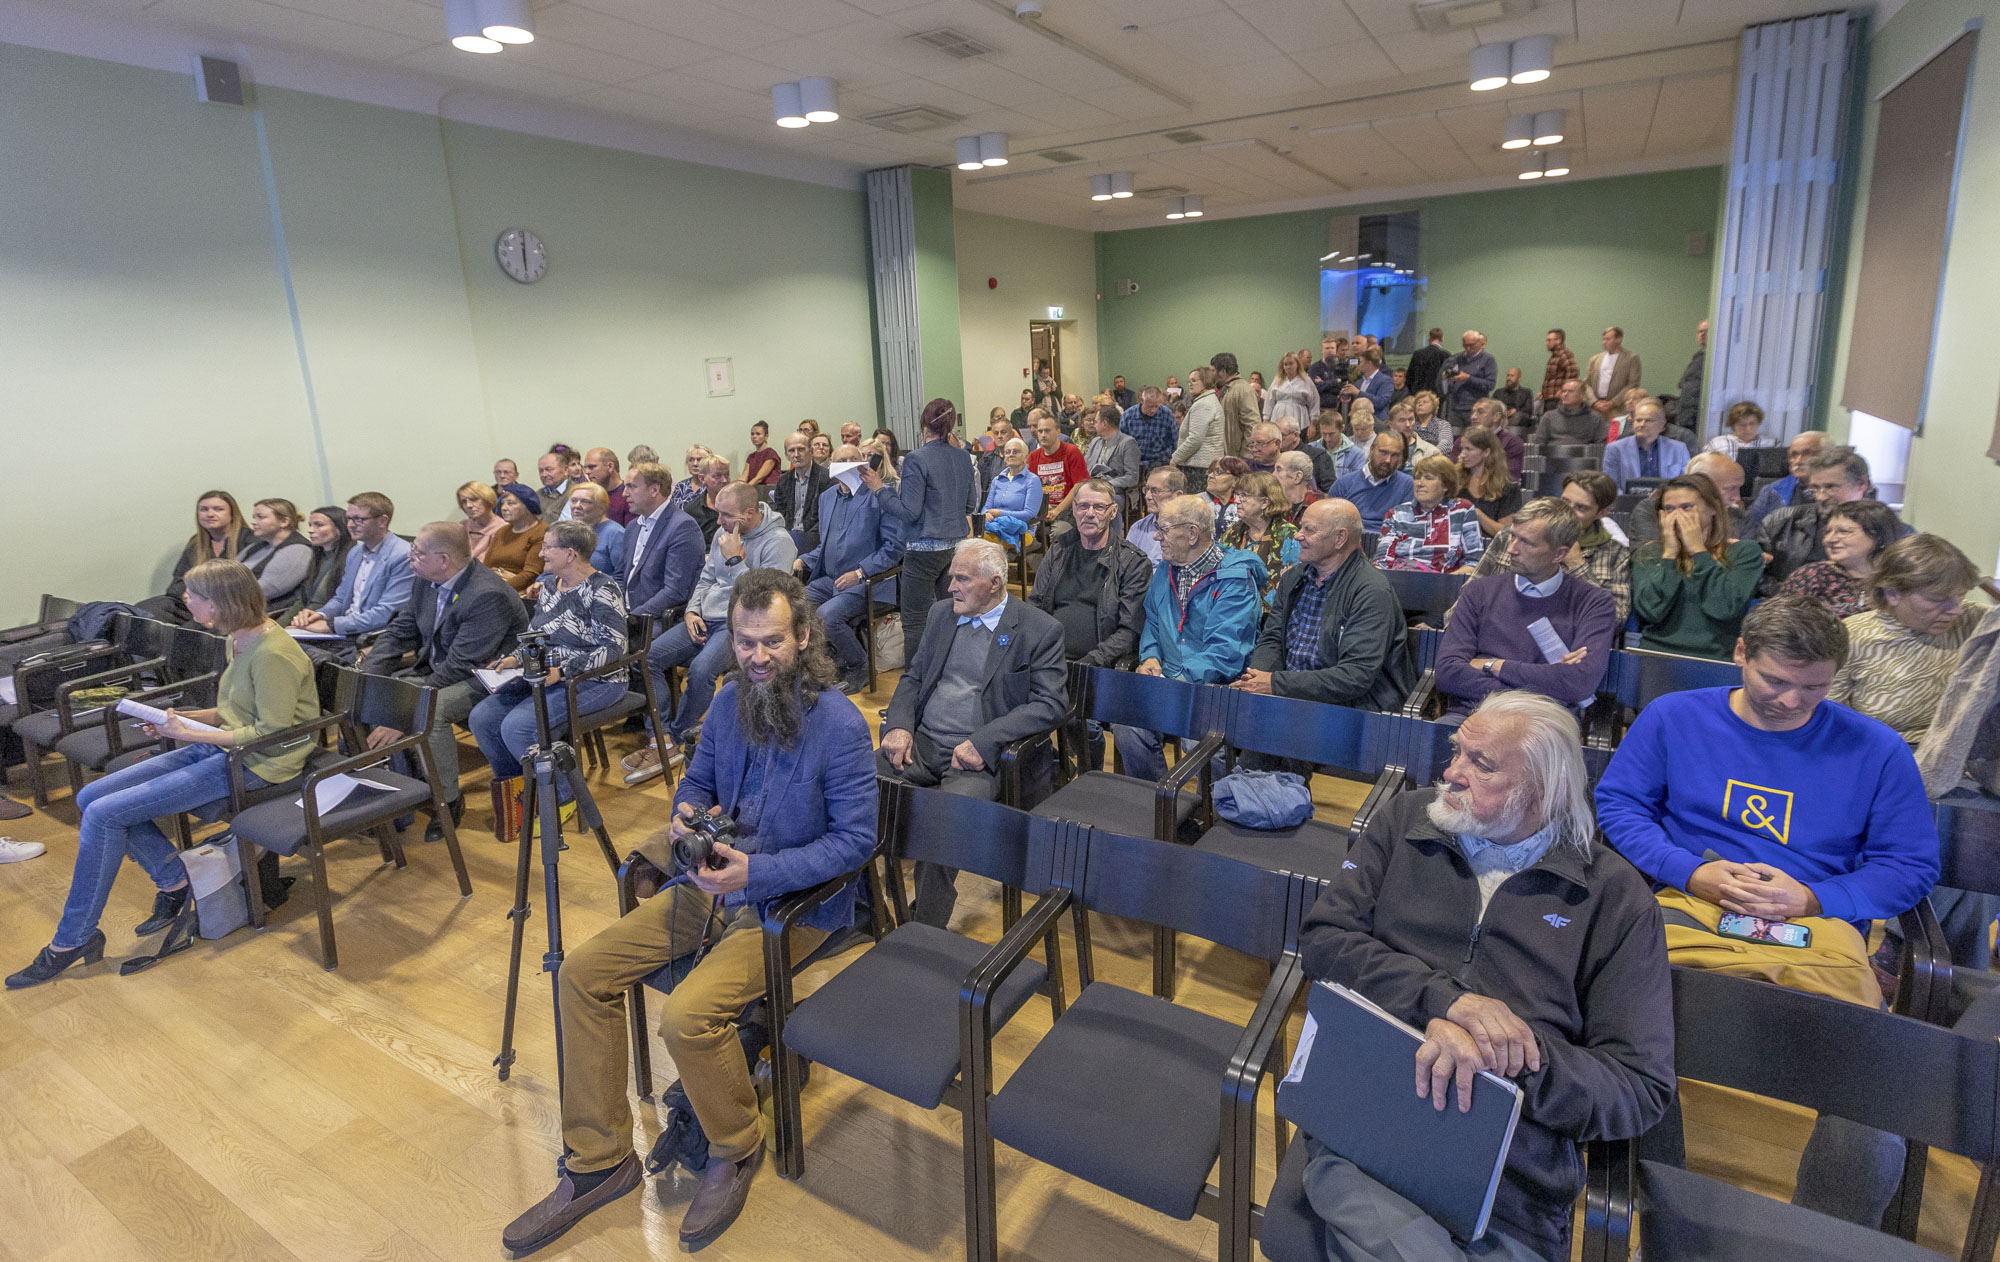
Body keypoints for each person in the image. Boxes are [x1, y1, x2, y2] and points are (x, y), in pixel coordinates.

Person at [502, 570, 875, 1255]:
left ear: (804, 636)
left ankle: (734, 1144)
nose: (758, 656)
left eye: (772, 642)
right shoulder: (732, 699)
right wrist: (683, 814)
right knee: (581, 973)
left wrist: (756, 871)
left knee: (686, 1016)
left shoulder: (842, 725)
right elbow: (699, 781)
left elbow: (856, 842)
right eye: (745, 641)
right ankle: (598, 1159)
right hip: (711, 884)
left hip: (789, 903)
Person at [1595, 595, 1940, 1230]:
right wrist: (1690, 870)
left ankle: (1816, 1239)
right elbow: (1620, 806)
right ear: (1740, 655)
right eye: (1775, 681)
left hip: (1817, 932)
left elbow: (1911, 866)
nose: (1791, 701)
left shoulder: (1877, 749)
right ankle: (1663, 1215)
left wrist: (1814, 897)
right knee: (1621, 1042)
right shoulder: (1676, 717)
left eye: (1814, 688)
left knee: (1873, 1118)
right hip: (1690, 909)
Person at [1300, 690, 1674, 1262]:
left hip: (1511, 1176)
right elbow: (1326, 940)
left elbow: (1638, 1089)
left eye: (1482, 763)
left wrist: (1509, 1057)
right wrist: (1442, 1005)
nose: (1451, 773)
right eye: (1457, 752)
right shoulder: (1407, 821)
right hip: (1368, 1120)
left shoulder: (1614, 899)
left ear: (1543, 790)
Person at [8, 560, 318, 988]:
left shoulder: (274, 654)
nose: (185, 599)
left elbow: (273, 731)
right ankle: (175, 882)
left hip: (260, 763)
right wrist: (181, 718)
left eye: (195, 595)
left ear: (221, 602)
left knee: (104, 815)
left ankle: (71, 939)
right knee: (88, 800)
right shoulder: (238, 638)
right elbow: (232, 713)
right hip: (222, 746)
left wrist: (189, 731)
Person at [879, 539, 1067, 927]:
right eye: (952, 578)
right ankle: (863, 908)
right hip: (924, 742)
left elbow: (1051, 705)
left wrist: (985, 741)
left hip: (980, 757)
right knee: (852, 787)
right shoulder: (941, 614)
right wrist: (899, 725)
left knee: (945, 825)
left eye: (962, 579)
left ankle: (924, 929)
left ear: (995, 583)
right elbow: (914, 678)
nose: (951, 588)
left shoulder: (1039, 629)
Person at [358, 522, 528, 841]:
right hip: (440, 668)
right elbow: (400, 631)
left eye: (418, 552)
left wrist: (405, 709)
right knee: (376, 696)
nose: (410, 556)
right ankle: (398, 800)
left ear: (444, 559)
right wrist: (371, 676)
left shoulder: (487, 595)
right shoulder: (425, 579)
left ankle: (447, 801)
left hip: (489, 678)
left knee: (429, 714)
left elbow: (460, 667)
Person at [630, 484, 797, 783]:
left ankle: (679, 737)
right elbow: (705, 579)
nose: (718, 521)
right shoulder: (724, 535)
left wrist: (734, 560)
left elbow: (766, 601)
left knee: (701, 669)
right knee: (647, 658)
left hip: (741, 626)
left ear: (749, 512)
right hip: (705, 617)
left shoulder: (779, 542)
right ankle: (662, 736)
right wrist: (692, 610)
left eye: (725, 515)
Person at [470, 520, 628, 809]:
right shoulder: (549, 587)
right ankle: (521, 787)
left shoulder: (603, 589)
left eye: (547, 547)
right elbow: (537, 636)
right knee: (482, 718)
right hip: (546, 674)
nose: (541, 554)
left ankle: (563, 797)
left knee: (518, 727)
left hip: (596, 679)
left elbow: (614, 648)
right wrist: (515, 658)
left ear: (570, 553)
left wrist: (565, 671)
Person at [1113, 495, 1267, 782]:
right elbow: (1153, 622)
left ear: (1193, 533)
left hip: (1215, 689)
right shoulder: (1165, 569)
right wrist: (1150, 657)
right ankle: (1160, 806)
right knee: (1127, 725)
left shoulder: (1234, 579)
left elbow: (1225, 653)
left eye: (1165, 528)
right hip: (1169, 684)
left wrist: (1174, 685)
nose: (1157, 536)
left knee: (1199, 742)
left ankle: (1213, 815)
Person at [1435, 495, 1618, 718]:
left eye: (1526, 542)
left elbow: (1578, 683)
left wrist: (1493, 664)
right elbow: (1448, 672)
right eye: (1512, 536)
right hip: (1475, 714)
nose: (1511, 548)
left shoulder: (1594, 603)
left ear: (1559, 553)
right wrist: (1548, 685)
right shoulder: (1479, 592)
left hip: (1543, 725)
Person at [1237, 497, 1412, 715]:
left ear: (1340, 538)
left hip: (1352, 710)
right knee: (1235, 716)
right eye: (1301, 527)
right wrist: (1257, 679)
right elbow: (1272, 638)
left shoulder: (1372, 591)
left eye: (1309, 530)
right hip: (1292, 697)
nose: (1298, 536)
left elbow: (1355, 676)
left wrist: (1275, 683)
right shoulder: (1294, 578)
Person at [1027, 477, 1151, 770]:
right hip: (1050, 656)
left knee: (1081, 721)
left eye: (1098, 507)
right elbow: (1035, 605)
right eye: (1082, 506)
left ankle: (1088, 774)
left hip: (1097, 663)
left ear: (1113, 512)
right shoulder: (1060, 550)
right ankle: (1047, 769)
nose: (1089, 513)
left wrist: (1089, 661)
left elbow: (1130, 631)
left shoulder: (1132, 562)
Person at [1829, 533, 1983, 745]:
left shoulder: (1974, 622)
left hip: (1959, 749)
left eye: (1961, 596)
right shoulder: (1851, 637)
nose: (1955, 610)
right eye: (1937, 599)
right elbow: (1831, 719)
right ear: (1893, 594)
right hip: (1879, 750)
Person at [862, 398, 975, 669]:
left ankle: (915, 687)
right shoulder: (962, 456)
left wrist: (879, 488)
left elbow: (909, 512)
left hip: (924, 550)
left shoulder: (916, 458)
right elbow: (971, 504)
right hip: (956, 548)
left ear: (923, 424)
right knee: (951, 614)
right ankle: (950, 673)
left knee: (914, 622)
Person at [795, 447, 905, 695]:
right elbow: (827, 544)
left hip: (870, 582)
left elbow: (894, 548)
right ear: (831, 465)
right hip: (831, 579)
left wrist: (860, 572)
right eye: (840, 460)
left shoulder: (880, 494)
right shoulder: (827, 497)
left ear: (862, 464)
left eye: (851, 460)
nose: (846, 464)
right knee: (795, 605)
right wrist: (803, 559)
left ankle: (860, 666)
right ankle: (829, 660)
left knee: (826, 615)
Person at [1633, 475, 1764, 658]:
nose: (1677, 516)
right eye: (1669, 509)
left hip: (1714, 659)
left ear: (1713, 508)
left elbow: (1723, 608)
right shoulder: (1650, 553)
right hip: (1654, 655)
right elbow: (1651, 612)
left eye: (1686, 507)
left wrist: (1697, 550)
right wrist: (1669, 556)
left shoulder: (1744, 552)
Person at [1474, 472, 1631, 621]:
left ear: (1602, 512)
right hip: (1497, 628)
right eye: (1564, 501)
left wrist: (1578, 566)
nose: (1568, 511)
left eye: (1581, 508)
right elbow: (1471, 592)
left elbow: (1615, 620)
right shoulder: (1514, 534)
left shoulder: (1615, 554)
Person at [1758, 445, 1900, 592]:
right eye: (1814, 488)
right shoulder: (1779, 522)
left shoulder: (1893, 530)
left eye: (1831, 487)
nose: (1821, 496)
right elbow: (1757, 578)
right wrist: (1797, 594)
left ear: (1862, 484)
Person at [288, 492, 415, 652]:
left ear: (383, 520)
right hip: (346, 631)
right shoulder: (355, 552)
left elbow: (386, 613)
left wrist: (331, 625)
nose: (351, 525)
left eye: (359, 519)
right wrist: (320, 615)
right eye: (348, 518)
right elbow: (341, 599)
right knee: (284, 646)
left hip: (373, 636)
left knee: (298, 653)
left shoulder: (402, 555)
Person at [1776, 498, 1905, 617]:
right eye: (1827, 532)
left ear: (1878, 536)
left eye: (1844, 531)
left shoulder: (1902, 581)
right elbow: (1779, 624)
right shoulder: (1811, 576)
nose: (1829, 539)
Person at [140, 490, 254, 623]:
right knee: (146, 610)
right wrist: (185, 593)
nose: (210, 514)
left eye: (218, 509)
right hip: (193, 602)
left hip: (228, 606)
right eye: (204, 509)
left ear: (232, 514)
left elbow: (248, 583)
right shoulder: (196, 542)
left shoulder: (249, 540)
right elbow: (178, 580)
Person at [1374, 456, 1484, 574]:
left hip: (1444, 584)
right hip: (1400, 581)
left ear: (1445, 485)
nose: (1420, 483)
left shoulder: (1462, 510)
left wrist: (1443, 582)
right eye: (1417, 478)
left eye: (1428, 478)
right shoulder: (1396, 514)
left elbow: (1474, 562)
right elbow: (1381, 562)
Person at [1628, 451, 1746, 549]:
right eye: (1730, 488)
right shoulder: (1652, 510)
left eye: (1740, 488)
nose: (1737, 497)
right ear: (1703, 485)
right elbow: (1646, 560)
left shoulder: (1742, 519)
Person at [1222, 472, 1299, 604]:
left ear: (1264, 502)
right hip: (1234, 608)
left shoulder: (1288, 534)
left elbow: (1294, 581)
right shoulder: (1234, 531)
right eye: (1237, 494)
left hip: (1273, 612)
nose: (1237, 500)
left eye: (1244, 496)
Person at [1329, 432, 1415, 535]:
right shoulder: (1343, 485)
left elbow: (1407, 529)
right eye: (1383, 452)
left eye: (1394, 455)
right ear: (1371, 450)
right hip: (1350, 542)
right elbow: (1330, 525)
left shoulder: (1408, 486)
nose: (1388, 460)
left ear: (1401, 458)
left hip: (1389, 544)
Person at [1600, 399, 1690, 494]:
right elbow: (1611, 486)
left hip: (1667, 504)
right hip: (1627, 504)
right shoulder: (1615, 449)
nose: (1642, 425)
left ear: (1662, 424)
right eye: (1638, 420)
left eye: (1648, 421)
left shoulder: (1679, 449)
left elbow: (1685, 484)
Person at [239, 497, 313, 611]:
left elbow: (265, 589)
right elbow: (227, 572)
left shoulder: (298, 550)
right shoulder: (256, 546)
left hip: (269, 614)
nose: (253, 522)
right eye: (254, 517)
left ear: (284, 522)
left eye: (260, 517)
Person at [1745, 430, 1826, 527]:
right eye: (1794, 455)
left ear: (1827, 456)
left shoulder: (1839, 491)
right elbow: (1749, 527)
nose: (1798, 461)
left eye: (1807, 453)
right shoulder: (1771, 491)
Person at [769, 431, 831, 553]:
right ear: (786, 455)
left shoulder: (826, 478)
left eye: (801, 449)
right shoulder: (783, 480)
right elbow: (779, 512)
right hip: (787, 536)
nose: (796, 455)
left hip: (815, 538)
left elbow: (825, 518)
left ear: (811, 451)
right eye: (791, 451)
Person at [1456, 425, 1523, 537]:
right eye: (1462, 448)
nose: (1462, 454)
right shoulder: (1455, 480)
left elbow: (1505, 534)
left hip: (1490, 548)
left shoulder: (1508, 487)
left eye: (1468, 449)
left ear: (1486, 452)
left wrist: (1477, 514)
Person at [1024, 409, 1089, 522]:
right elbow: (1030, 488)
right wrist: (1043, 507)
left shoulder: (1071, 451)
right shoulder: (1033, 456)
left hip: (1068, 509)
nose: (1043, 435)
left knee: (1058, 533)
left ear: (1058, 431)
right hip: (1041, 508)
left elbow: (1080, 485)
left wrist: (1057, 510)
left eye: (1047, 431)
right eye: (1040, 431)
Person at [482, 483, 547, 593]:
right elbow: (486, 567)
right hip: (492, 585)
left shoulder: (542, 531)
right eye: (502, 504)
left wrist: (497, 589)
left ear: (528, 505)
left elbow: (531, 574)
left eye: (511, 503)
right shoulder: (501, 531)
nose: (504, 508)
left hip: (517, 591)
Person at [979, 437, 1044, 547]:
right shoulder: (997, 480)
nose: (1011, 454)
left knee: (979, 542)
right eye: (1007, 452)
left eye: (1016, 451)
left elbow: (1029, 514)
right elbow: (986, 507)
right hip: (995, 527)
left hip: (1022, 532)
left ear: (1025, 456)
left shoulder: (1032, 480)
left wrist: (1000, 514)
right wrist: (986, 514)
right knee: (973, 536)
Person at [1173, 366, 1226, 493]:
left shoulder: (1203, 404)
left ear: (1206, 381)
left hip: (1198, 468)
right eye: (1189, 381)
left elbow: (1195, 439)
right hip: (1204, 466)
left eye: (1194, 380)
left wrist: (1175, 458)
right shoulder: (1209, 400)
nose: (1190, 384)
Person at [298, 506, 354, 614]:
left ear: (339, 529)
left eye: (319, 525)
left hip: (330, 619)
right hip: (308, 617)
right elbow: (302, 601)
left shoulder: (352, 558)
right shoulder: (319, 558)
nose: (310, 530)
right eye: (310, 525)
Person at [1127, 465, 1183, 567]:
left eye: (1155, 491)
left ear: (1177, 495)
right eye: (1147, 489)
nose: (1147, 496)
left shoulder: (1190, 531)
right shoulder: (1138, 528)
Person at [1455, 398, 1524, 479]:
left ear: (1496, 416)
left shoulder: (1512, 442)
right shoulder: (1462, 441)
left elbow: (1510, 476)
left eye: (1480, 412)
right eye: (1472, 412)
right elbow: (1451, 472)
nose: (1473, 417)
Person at [566, 483, 625, 575]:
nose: (577, 506)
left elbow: (621, 575)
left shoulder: (615, 534)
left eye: (585, 501)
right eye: (573, 501)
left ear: (601, 508)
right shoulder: (567, 531)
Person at [1584, 327, 1642, 419]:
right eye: (1603, 339)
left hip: (1618, 409)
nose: (1604, 342)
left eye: (1608, 339)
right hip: (1595, 408)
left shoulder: (1631, 358)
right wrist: (1594, 402)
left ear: (1618, 339)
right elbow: (1586, 383)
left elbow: (1633, 384)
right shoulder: (1595, 359)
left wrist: (1613, 402)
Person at [1440, 329, 1497, 423]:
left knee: (1474, 436)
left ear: (1479, 343)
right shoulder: (1457, 358)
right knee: (1455, 436)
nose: (1468, 348)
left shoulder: (1488, 360)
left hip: (1476, 408)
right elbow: (1448, 381)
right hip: (1455, 407)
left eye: (1471, 345)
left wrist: (1468, 378)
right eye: (1465, 345)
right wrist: (1445, 379)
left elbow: (1490, 384)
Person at [1211, 352, 1261, 458]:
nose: (1212, 374)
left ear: (1223, 371)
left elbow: (1252, 425)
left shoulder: (1244, 390)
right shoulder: (1227, 389)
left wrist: (1246, 456)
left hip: (1238, 459)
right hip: (1227, 456)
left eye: (1213, 370)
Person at [1084, 402, 1141, 495]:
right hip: (1092, 488)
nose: (1094, 425)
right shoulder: (1095, 441)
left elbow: (1132, 478)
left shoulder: (1128, 443)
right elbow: (1085, 467)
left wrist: (1107, 484)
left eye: (1096, 421)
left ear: (1104, 423)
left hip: (1116, 492)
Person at [1120, 386, 1177, 471]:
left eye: (1156, 406)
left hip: (1160, 462)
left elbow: (1174, 440)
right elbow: (1121, 442)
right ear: (1142, 401)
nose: (1153, 410)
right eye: (1150, 406)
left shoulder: (1167, 414)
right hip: (1135, 463)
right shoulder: (1128, 415)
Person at [1263, 350, 1319, 429]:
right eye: (1285, 364)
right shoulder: (1277, 380)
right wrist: (1266, 420)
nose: (1288, 366)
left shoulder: (1306, 380)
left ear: (1297, 364)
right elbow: (1269, 401)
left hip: (1299, 417)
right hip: (1278, 416)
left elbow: (1314, 402)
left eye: (1291, 363)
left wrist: (1313, 423)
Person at [688, 456, 733, 547]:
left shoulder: (740, 504)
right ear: (702, 479)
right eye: (717, 476)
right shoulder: (692, 511)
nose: (724, 480)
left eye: (727, 475)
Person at [1673, 318, 1709, 432]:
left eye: (1706, 331)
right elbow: (1684, 384)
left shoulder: (1714, 356)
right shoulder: (1699, 356)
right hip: (1686, 412)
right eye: (1700, 331)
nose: (1702, 335)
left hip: (1700, 415)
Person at [579, 448, 632, 525]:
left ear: (610, 466)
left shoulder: (628, 496)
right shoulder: (591, 496)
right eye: (585, 468)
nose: (587, 472)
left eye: (592, 467)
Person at [459, 480, 506, 563]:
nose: (468, 505)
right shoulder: (461, 527)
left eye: (474, 499)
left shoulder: (503, 529)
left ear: (487, 499)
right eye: (464, 501)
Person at [1203, 455, 1250, 537]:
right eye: (1209, 471)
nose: (1210, 476)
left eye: (1218, 472)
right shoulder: (1198, 501)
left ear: (1236, 480)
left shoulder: (1246, 505)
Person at [1343, 347, 1394, 419]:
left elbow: (1381, 402)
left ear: (1369, 363)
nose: (1358, 366)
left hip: (1377, 423)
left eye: (1361, 362)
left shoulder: (1386, 381)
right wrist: (1347, 398)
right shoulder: (1358, 383)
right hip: (1358, 422)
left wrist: (1358, 393)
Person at [1274, 451, 1323, 526]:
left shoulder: (1322, 506)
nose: (1272, 475)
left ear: (1297, 477)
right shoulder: (1273, 504)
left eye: (1278, 469)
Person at [1335, 399, 1376, 479]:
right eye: (1356, 429)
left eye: (1364, 429)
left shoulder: (1378, 442)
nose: (1359, 433)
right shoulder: (1346, 442)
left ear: (1372, 427)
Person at [1404, 326, 1449, 400]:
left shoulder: (1417, 354)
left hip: (1418, 395)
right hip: (1437, 397)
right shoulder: (1446, 356)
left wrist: (1413, 392)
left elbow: (1409, 377)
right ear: (1442, 339)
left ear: (1429, 338)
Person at [535, 449, 577, 525]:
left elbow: (566, 527)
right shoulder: (537, 495)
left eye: (549, 470)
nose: (544, 475)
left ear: (565, 470)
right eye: (541, 471)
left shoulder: (575, 493)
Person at [670, 444, 714, 512]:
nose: (695, 464)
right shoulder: (681, 486)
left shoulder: (712, 486)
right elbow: (671, 511)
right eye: (691, 460)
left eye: (699, 460)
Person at [1538, 328, 1578, 403]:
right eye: (1547, 340)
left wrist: (1563, 391)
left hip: (1558, 400)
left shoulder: (1565, 354)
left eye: (1549, 340)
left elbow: (1573, 373)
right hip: (1549, 398)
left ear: (1558, 340)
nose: (1547, 343)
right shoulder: (1554, 357)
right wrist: (1544, 393)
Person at [742, 422, 780, 490]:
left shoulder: (771, 454)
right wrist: (735, 487)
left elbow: (759, 478)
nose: (754, 436)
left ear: (766, 436)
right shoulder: (751, 456)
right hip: (754, 489)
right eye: (752, 434)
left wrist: (744, 489)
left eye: (758, 434)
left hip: (768, 491)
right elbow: (744, 476)